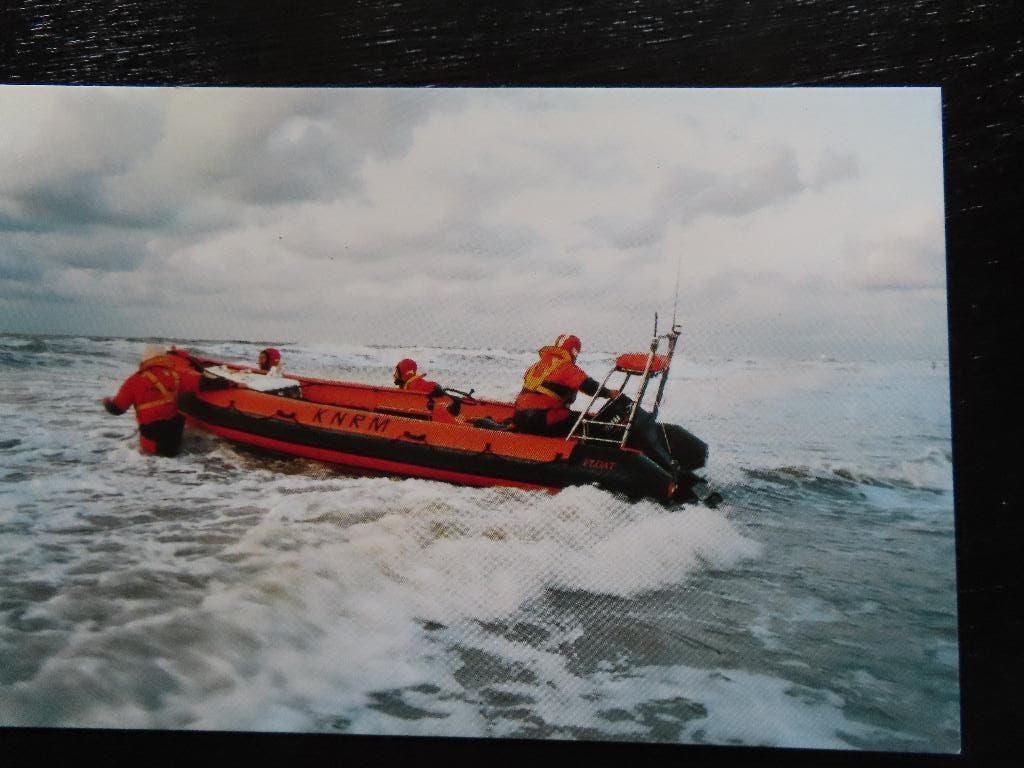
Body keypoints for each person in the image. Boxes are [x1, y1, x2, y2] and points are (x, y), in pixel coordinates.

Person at [513, 333, 620, 437]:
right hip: (542, 419)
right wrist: (609, 393)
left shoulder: (537, 365)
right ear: (574, 352)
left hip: (519, 417)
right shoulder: (566, 367)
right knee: (587, 422)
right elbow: (589, 386)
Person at [102, 346, 201, 456]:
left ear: (145, 359)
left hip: (152, 445)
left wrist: (106, 403)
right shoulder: (178, 375)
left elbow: (117, 409)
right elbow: (203, 383)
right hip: (174, 439)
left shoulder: (134, 381)